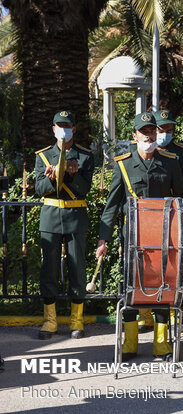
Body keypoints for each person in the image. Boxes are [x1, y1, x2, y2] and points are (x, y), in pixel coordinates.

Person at [96, 112, 183, 361]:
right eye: (144, 132)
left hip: (163, 235)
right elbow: (112, 205)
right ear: (134, 135)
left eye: (152, 131)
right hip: (132, 236)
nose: (149, 135)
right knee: (129, 287)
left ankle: (161, 345)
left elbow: (181, 197)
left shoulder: (170, 162)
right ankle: (130, 343)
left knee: (161, 284)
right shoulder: (123, 164)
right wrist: (103, 239)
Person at [135, 109, 183, 333]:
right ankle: (144, 314)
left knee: (171, 267)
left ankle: (172, 314)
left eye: (168, 130)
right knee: (143, 264)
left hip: (169, 217)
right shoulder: (135, 155)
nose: (164, 134)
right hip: (142, 217)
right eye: (161, 129)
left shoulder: (180, 154)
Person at [34, 110, 94, 340]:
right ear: (53, 129)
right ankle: (49, 321)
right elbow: (38, 189)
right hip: (50, 217)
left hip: (75, 217)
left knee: (77, 269)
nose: (63, 129)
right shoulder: (43, 156)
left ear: (74, 128)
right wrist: (50, 178)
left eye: (67, 125)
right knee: (48, 270)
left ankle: (76, 320)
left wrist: (72, 175)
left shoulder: (85, 156)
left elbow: (84, 189)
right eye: (59, 125)